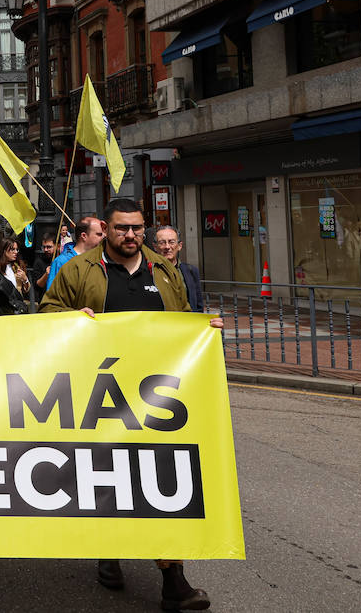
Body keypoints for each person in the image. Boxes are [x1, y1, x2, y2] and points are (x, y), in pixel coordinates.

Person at [40, 197, 221, 611]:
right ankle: (109, 554)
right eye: (121, 228)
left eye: (137, 228)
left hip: (158, 398)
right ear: (105, 228)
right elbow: (47, 315)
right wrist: (72, 319)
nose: (131, 236)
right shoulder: (78, 270)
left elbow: (185, 320)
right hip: (99, 397)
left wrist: (204, 330)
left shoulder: (165, 270)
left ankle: (173, 580)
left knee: (164, 483)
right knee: (108, 478)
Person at [44, 215, 104, 292]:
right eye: (98, 234)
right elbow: (52, 295)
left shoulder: (99, 259)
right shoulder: (60, 262)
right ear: (84, 236)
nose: (103, 237)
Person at [153, 226, 204, 313]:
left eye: (171, 242)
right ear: (155, 247)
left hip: (186, 323)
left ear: (179, 246)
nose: (167, 246)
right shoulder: (149, 271)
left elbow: (198, 306)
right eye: (162, 243)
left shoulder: (191, 271)